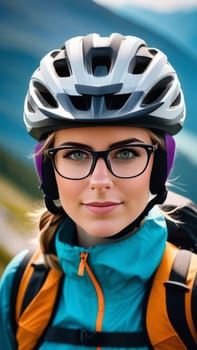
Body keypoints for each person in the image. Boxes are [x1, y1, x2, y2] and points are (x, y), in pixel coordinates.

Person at [0, 33, 196, 349]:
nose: (100, 180)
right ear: (48, 171)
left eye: (126, 153)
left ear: (159, 166)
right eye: (76, 154)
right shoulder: (20, 287)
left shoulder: (190, 295)